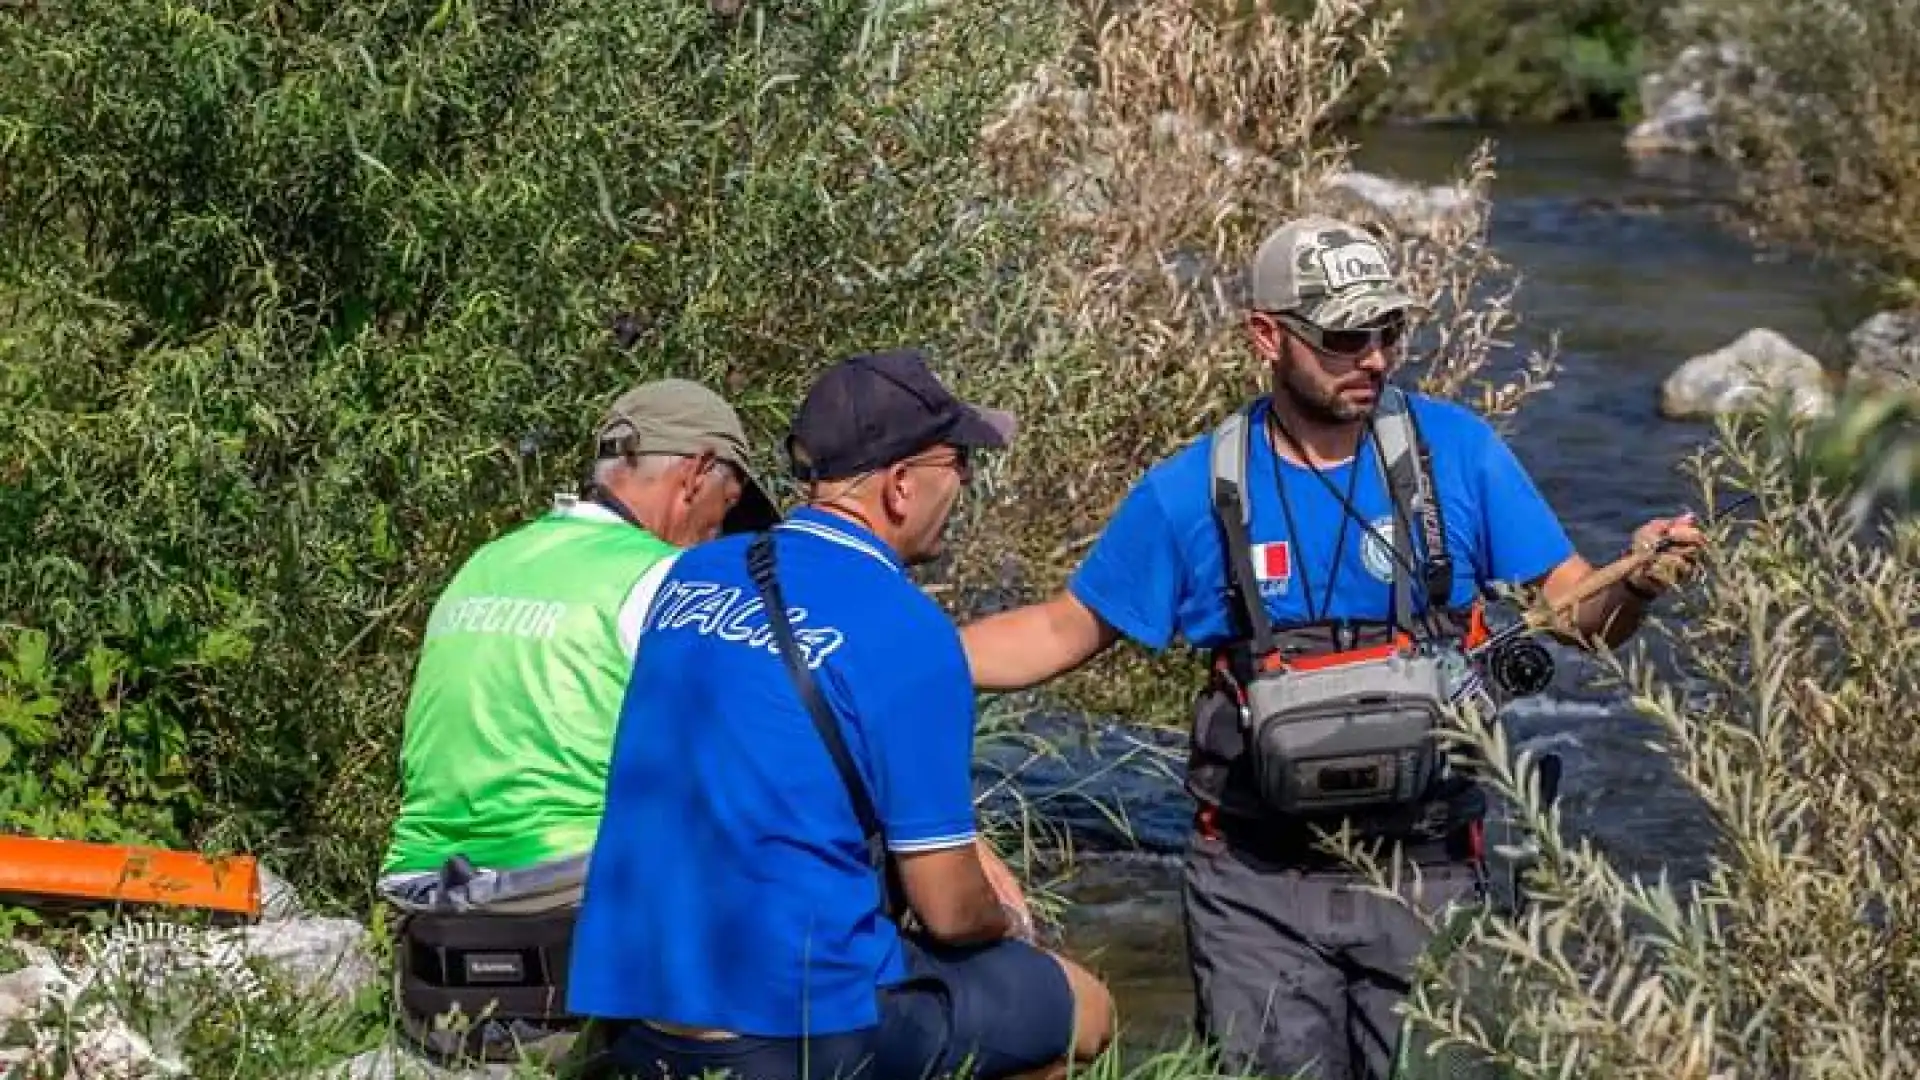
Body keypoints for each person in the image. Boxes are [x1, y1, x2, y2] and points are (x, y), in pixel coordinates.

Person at [957, 216, 1709, 1080]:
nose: (1376, 358)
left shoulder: (1458, 454)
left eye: (1388, 332)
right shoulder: (1193, 490)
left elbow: (1580, 615)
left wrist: (1641, 581)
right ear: (1267, 337)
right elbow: (1059, 631)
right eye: (1345, 337)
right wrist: (892, 656)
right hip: (1254, 888)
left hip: (1429, 875)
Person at [567, 348, 1116, 1080]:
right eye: (959, 464)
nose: (965, 485)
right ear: (898, 486)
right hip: (788, 1030)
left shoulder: (690, 575)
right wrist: (1009, 925)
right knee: (1084, 1009)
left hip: (635, 1015)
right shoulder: (908, 629)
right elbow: (950, 909)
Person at [377, 377, 777, 1061]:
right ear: (697, 473)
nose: (719, 534)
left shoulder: (486, 562)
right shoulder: (668, 581)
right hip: (562, 929)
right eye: (727, 508)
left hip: (422, 923)